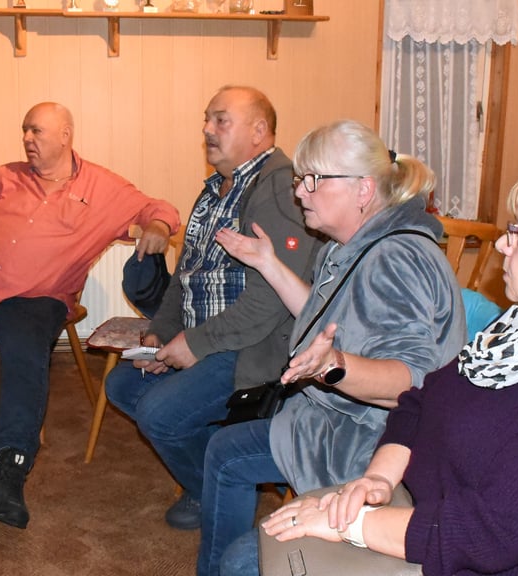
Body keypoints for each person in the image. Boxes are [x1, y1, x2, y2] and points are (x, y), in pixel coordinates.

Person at [261, 158, 518, 575]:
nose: (502, 245)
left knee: (257, 558)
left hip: (462, 555)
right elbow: (421, 401)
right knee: (259, 553)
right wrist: (379, 479)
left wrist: (349, 524)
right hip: (423, 517)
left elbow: (482, 536)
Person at [0, 101, 180, 529]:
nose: (27, 139)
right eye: (24, 130)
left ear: (65, 135)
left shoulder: (103, 187)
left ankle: (10, 465)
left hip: (36, 295)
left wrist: (157, 227)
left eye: (37, 131)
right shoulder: (5, 177)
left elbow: (158, 208)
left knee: (24, 351)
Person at [204, 119, 466, 576]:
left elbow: (412, 382)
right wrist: (268, 264)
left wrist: (336, 366)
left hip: (372, 448)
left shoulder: (395, 260)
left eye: (313, 180)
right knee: (225, 452)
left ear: (363, 189)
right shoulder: (348, 244)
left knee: (243, 563)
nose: (300, 192)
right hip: (324, 425)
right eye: (299, 179)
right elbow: (322, 318)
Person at [104, 85, 321, 531]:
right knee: (123, 386)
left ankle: (215, 489)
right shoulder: (213, 193)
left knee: (160, 415)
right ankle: (216, 479)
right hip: (210, 338)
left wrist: (197, 345)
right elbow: (186, 278)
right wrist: (160, 334)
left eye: (221, 120)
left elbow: (268, 303)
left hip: (253, 348)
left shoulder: (278, 186)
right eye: (207, 119)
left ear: (259, 131)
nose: (207, 129)